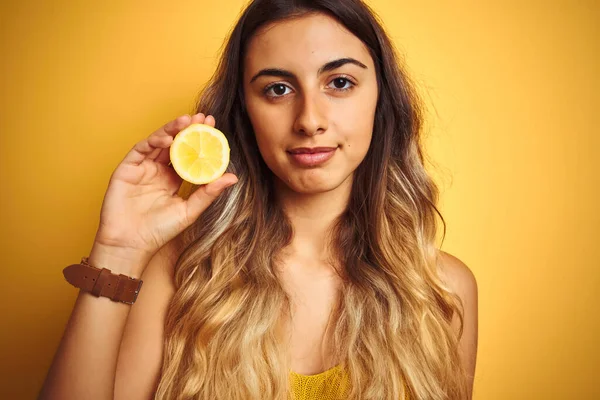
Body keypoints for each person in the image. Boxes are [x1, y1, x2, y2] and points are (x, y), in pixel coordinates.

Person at [39, 0, 478, 399]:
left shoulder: (441, 291)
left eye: (340, 82)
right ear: (243, 113)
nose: (309, 120)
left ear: (381, 101)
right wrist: (119, 250)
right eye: (277, 89)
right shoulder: (180, 277)